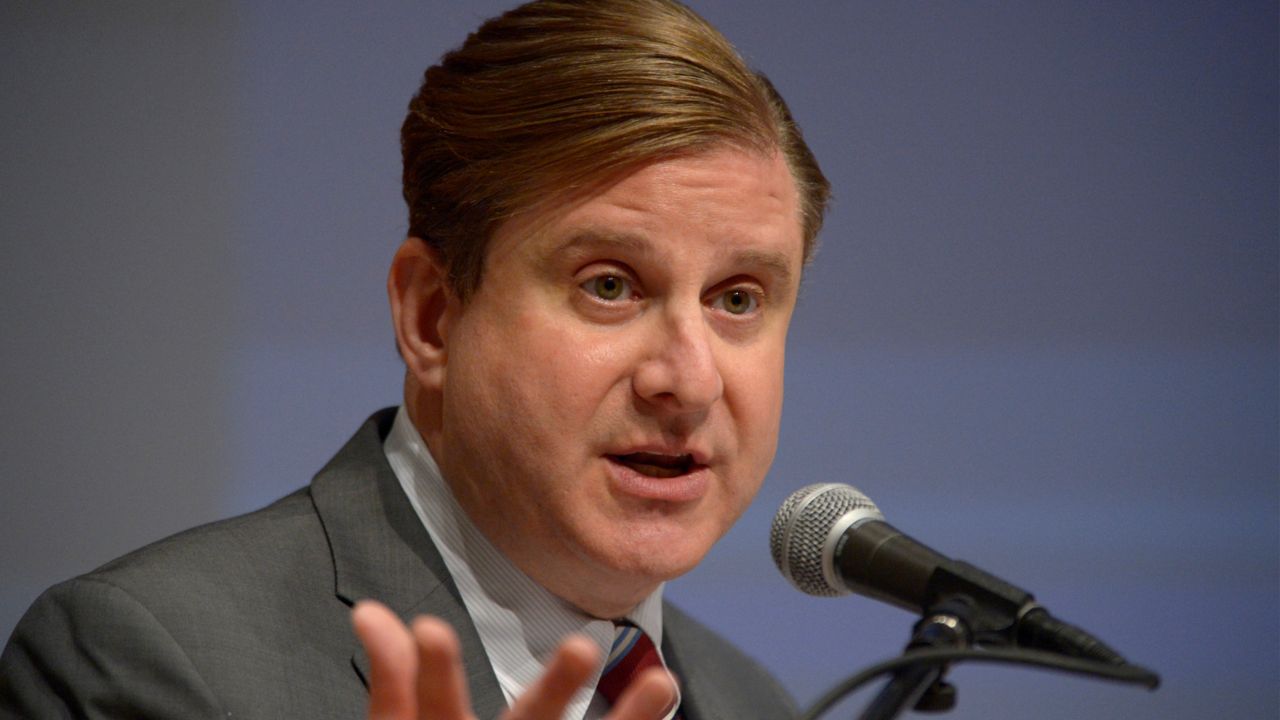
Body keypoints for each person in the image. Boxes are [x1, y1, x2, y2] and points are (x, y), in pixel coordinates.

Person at [0, 0, 829, 718]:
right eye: (608, 284)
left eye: (738, 299)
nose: (687, 381)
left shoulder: (753, 703)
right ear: (432, 317)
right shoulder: (148, 657)